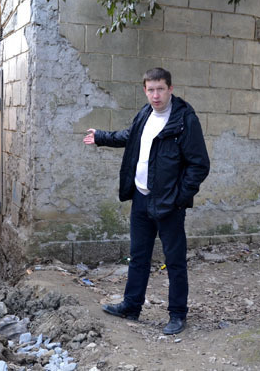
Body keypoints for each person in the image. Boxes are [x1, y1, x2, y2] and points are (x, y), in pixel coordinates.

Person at [83, 68, 210, 335]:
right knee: (138, 257)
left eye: (160, 89)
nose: (155, 95)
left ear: (170, 89)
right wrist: (101, 137)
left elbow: (199, 165)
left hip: (168, 205)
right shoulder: (145, 114)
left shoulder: (185, 120)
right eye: (150, 89)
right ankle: (132, 306)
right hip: (141, 199)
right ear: (145, 90)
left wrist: (179, 198)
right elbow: (130, 137)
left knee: (174, 261)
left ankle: (177, 315)